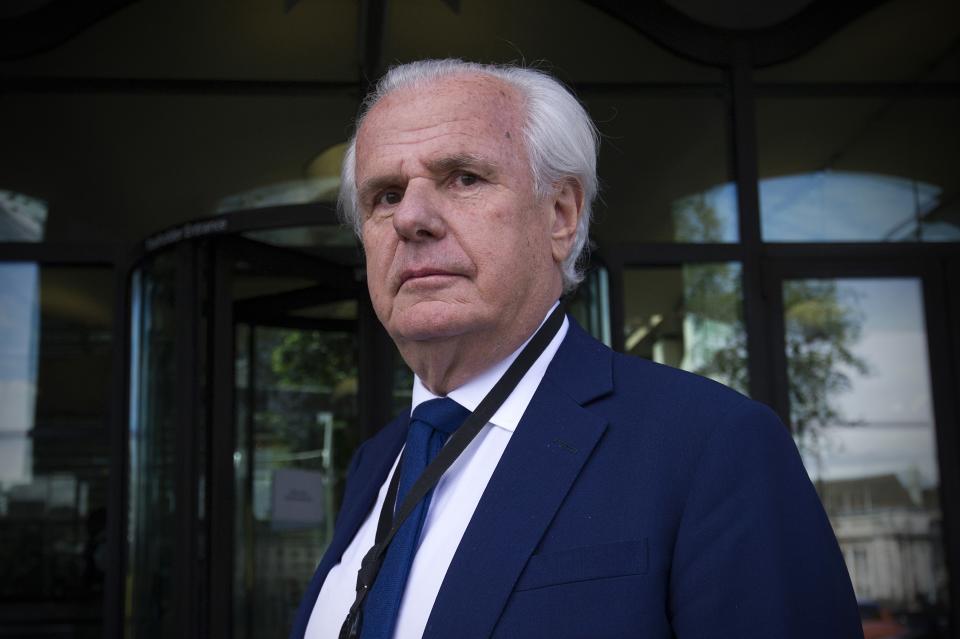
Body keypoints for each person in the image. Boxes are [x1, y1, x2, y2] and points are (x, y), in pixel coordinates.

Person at [290, 59, 862, 639]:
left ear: (561, 215)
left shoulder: (712, 446)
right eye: (385, 195)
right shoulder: (377, 462)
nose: (411, 217)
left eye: (463, 177)